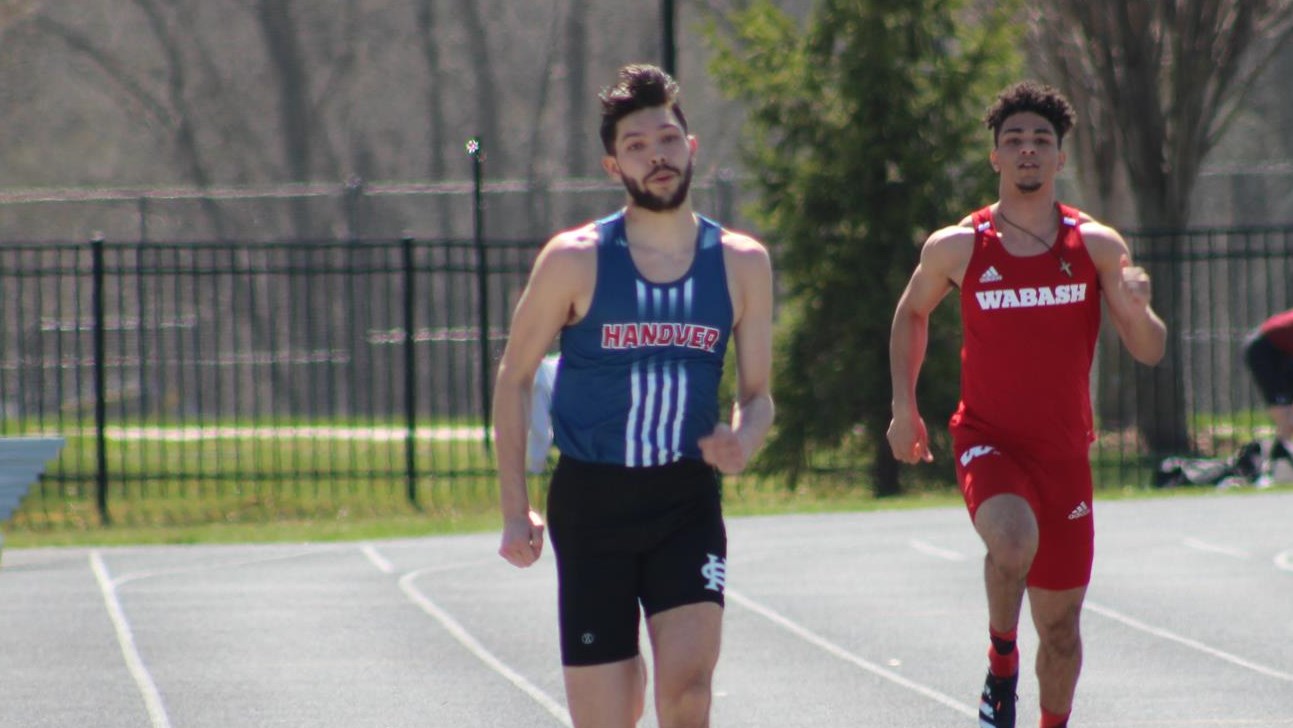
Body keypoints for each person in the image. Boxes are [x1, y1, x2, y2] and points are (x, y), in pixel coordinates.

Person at [492, 63, 775, 728]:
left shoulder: (740, 262)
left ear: (691, 147)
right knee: (608, 716)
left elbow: (758, 394)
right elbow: (514, 375)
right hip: (591, 505)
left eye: (667, 140)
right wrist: (514, 508)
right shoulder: (575, 259)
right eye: (636, 146)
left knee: (687, 692)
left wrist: (745, 439)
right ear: (612, 165)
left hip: (684, 499)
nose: (656, 157)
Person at [887, 81, 1166, 728]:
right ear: (994, 159)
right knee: (1011, 542)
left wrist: (1134, 305)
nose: (1027, 151)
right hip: (987, 439)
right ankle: (1001, 662)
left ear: (1059, 159)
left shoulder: (1095, 246)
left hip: (1064, 454)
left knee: (1062, 630)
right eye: (1013, 140)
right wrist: (904, 407)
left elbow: (1148, 349)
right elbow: (910, 313)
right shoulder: (959, 246)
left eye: (1041, 140)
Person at [1242, 308, 1293, 486]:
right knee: (1285, 416)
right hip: (1264, 350)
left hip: (1282, 353)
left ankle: (1278, 457)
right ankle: (1269, 468)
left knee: (1288, 418)